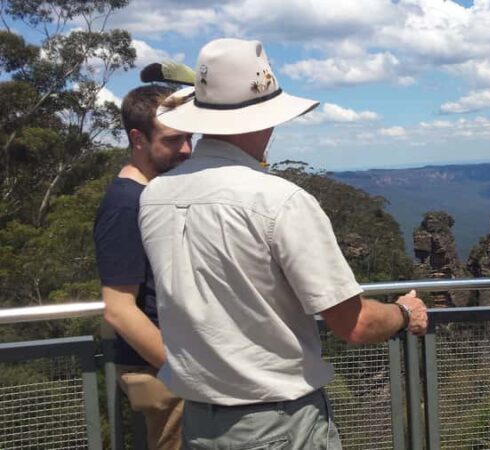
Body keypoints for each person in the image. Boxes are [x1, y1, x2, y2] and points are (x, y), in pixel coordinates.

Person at [138, 38, 428, 449]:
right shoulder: (279, 201)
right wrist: (404, 312)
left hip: (198, 423)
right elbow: (355, 324)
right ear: (265, 119)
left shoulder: (154, 197)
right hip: (278, 425)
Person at [94, 85, 192, 450]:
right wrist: (183, 369)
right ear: (138, 138)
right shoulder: (124, 206)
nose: (186, 149)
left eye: (189, 137)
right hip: (163, 369)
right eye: (173, 139)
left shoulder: (153, 194)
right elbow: (119, 309)